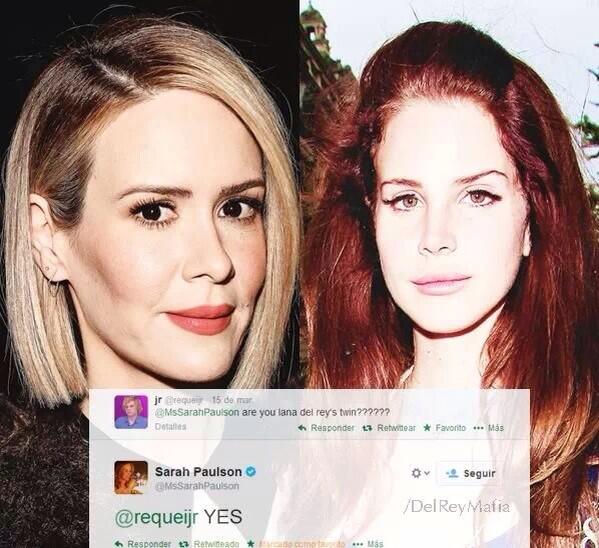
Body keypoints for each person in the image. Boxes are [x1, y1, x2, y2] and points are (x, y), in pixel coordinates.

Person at [0, 14, 299, 546]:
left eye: (236, 208)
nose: (215, 262)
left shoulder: (336, 475)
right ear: (48, 238)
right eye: (154, 211)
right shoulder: (18, 515)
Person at [303, 21, 598, 545]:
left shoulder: (583, 473)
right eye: (405, 199)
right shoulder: (307, 465)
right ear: (371, 218)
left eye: (477, 195)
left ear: (532, 219)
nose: (435, 237)